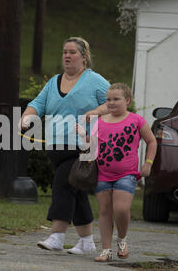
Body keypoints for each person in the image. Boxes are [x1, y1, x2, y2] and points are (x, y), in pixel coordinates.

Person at [19, 37, 110, 255]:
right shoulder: (54, 82)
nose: (67, 56)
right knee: (75, 191)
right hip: (56, 147)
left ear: (84, 56)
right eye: (64, 52)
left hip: (83, 147)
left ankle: (57, 236)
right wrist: (25, 119)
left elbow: (115, 101)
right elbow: (37, 104)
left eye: (72, 52)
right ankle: (87, 241)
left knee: (63, 183)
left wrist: (94, 113)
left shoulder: (94, 80)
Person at [76, 83, 157, 262]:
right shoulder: (100, 121)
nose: (111, 103)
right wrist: (84, 136)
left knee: (121, 209)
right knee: (104, 211)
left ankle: (121, 239)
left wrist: (148, 164)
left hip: (126, 174)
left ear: (127, 101)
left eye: (116, 99)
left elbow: (152, 141)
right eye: (108, 100)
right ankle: (106, 250)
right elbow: (93, 147)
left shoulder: (136, 120)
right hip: (102, 174)